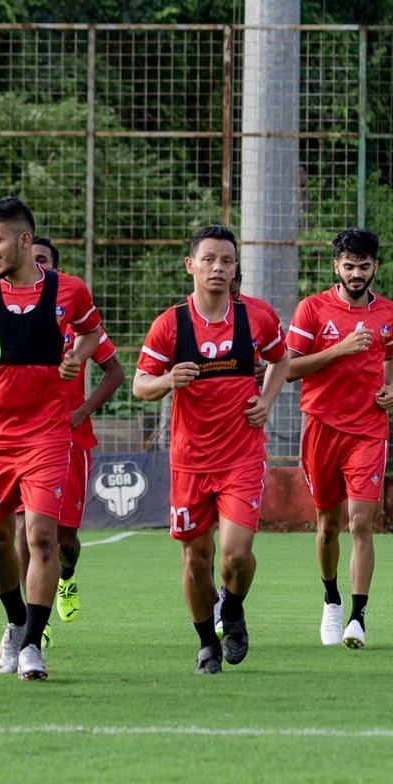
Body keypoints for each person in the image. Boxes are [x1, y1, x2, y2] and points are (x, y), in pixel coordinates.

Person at [134, 225, 289, 674]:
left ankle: (234, 608)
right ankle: (206, 643)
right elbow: (141, 384)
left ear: (236, 268)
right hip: (189, 462)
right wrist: (168, 381)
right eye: (208, 259)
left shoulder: (256, 317)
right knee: (196, 559)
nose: (217, 268)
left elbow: (283, 358)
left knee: (236, 554)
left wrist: (267, 400)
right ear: (191, 266)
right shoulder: (171, 323)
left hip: (241, 456)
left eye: (226, 260)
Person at [0, 198, 106, 679]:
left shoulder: (69, 291)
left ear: (25, 241)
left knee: (43, 537)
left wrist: (77, 356)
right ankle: (14, 622)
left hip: (48, 436)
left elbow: (93, 335)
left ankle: (31, 644)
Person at [285, 228, 393, 648]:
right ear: (336, 266)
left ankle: (357, 617)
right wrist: (340, 349)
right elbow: (290, 369)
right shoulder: (311, 309)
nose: (356, 273)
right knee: (328, 525)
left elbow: (390, 359)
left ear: (375, 267)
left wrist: (392, 388)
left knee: (361, 523)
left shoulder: (388, 312)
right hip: (321, 427)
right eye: (349, 266)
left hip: (368, 429)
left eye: (364, 266)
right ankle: (331, 599)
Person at [33, 238, 127, 625]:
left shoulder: (75, 316)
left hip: (71, 440)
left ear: (54, 268)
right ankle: (31, 626)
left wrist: (83, 409)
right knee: (32, 534)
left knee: (64, 541)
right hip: (24, 438)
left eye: (42, 260)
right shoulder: (5, 310)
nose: (33, 265)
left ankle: (67, 577)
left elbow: (116, 372)